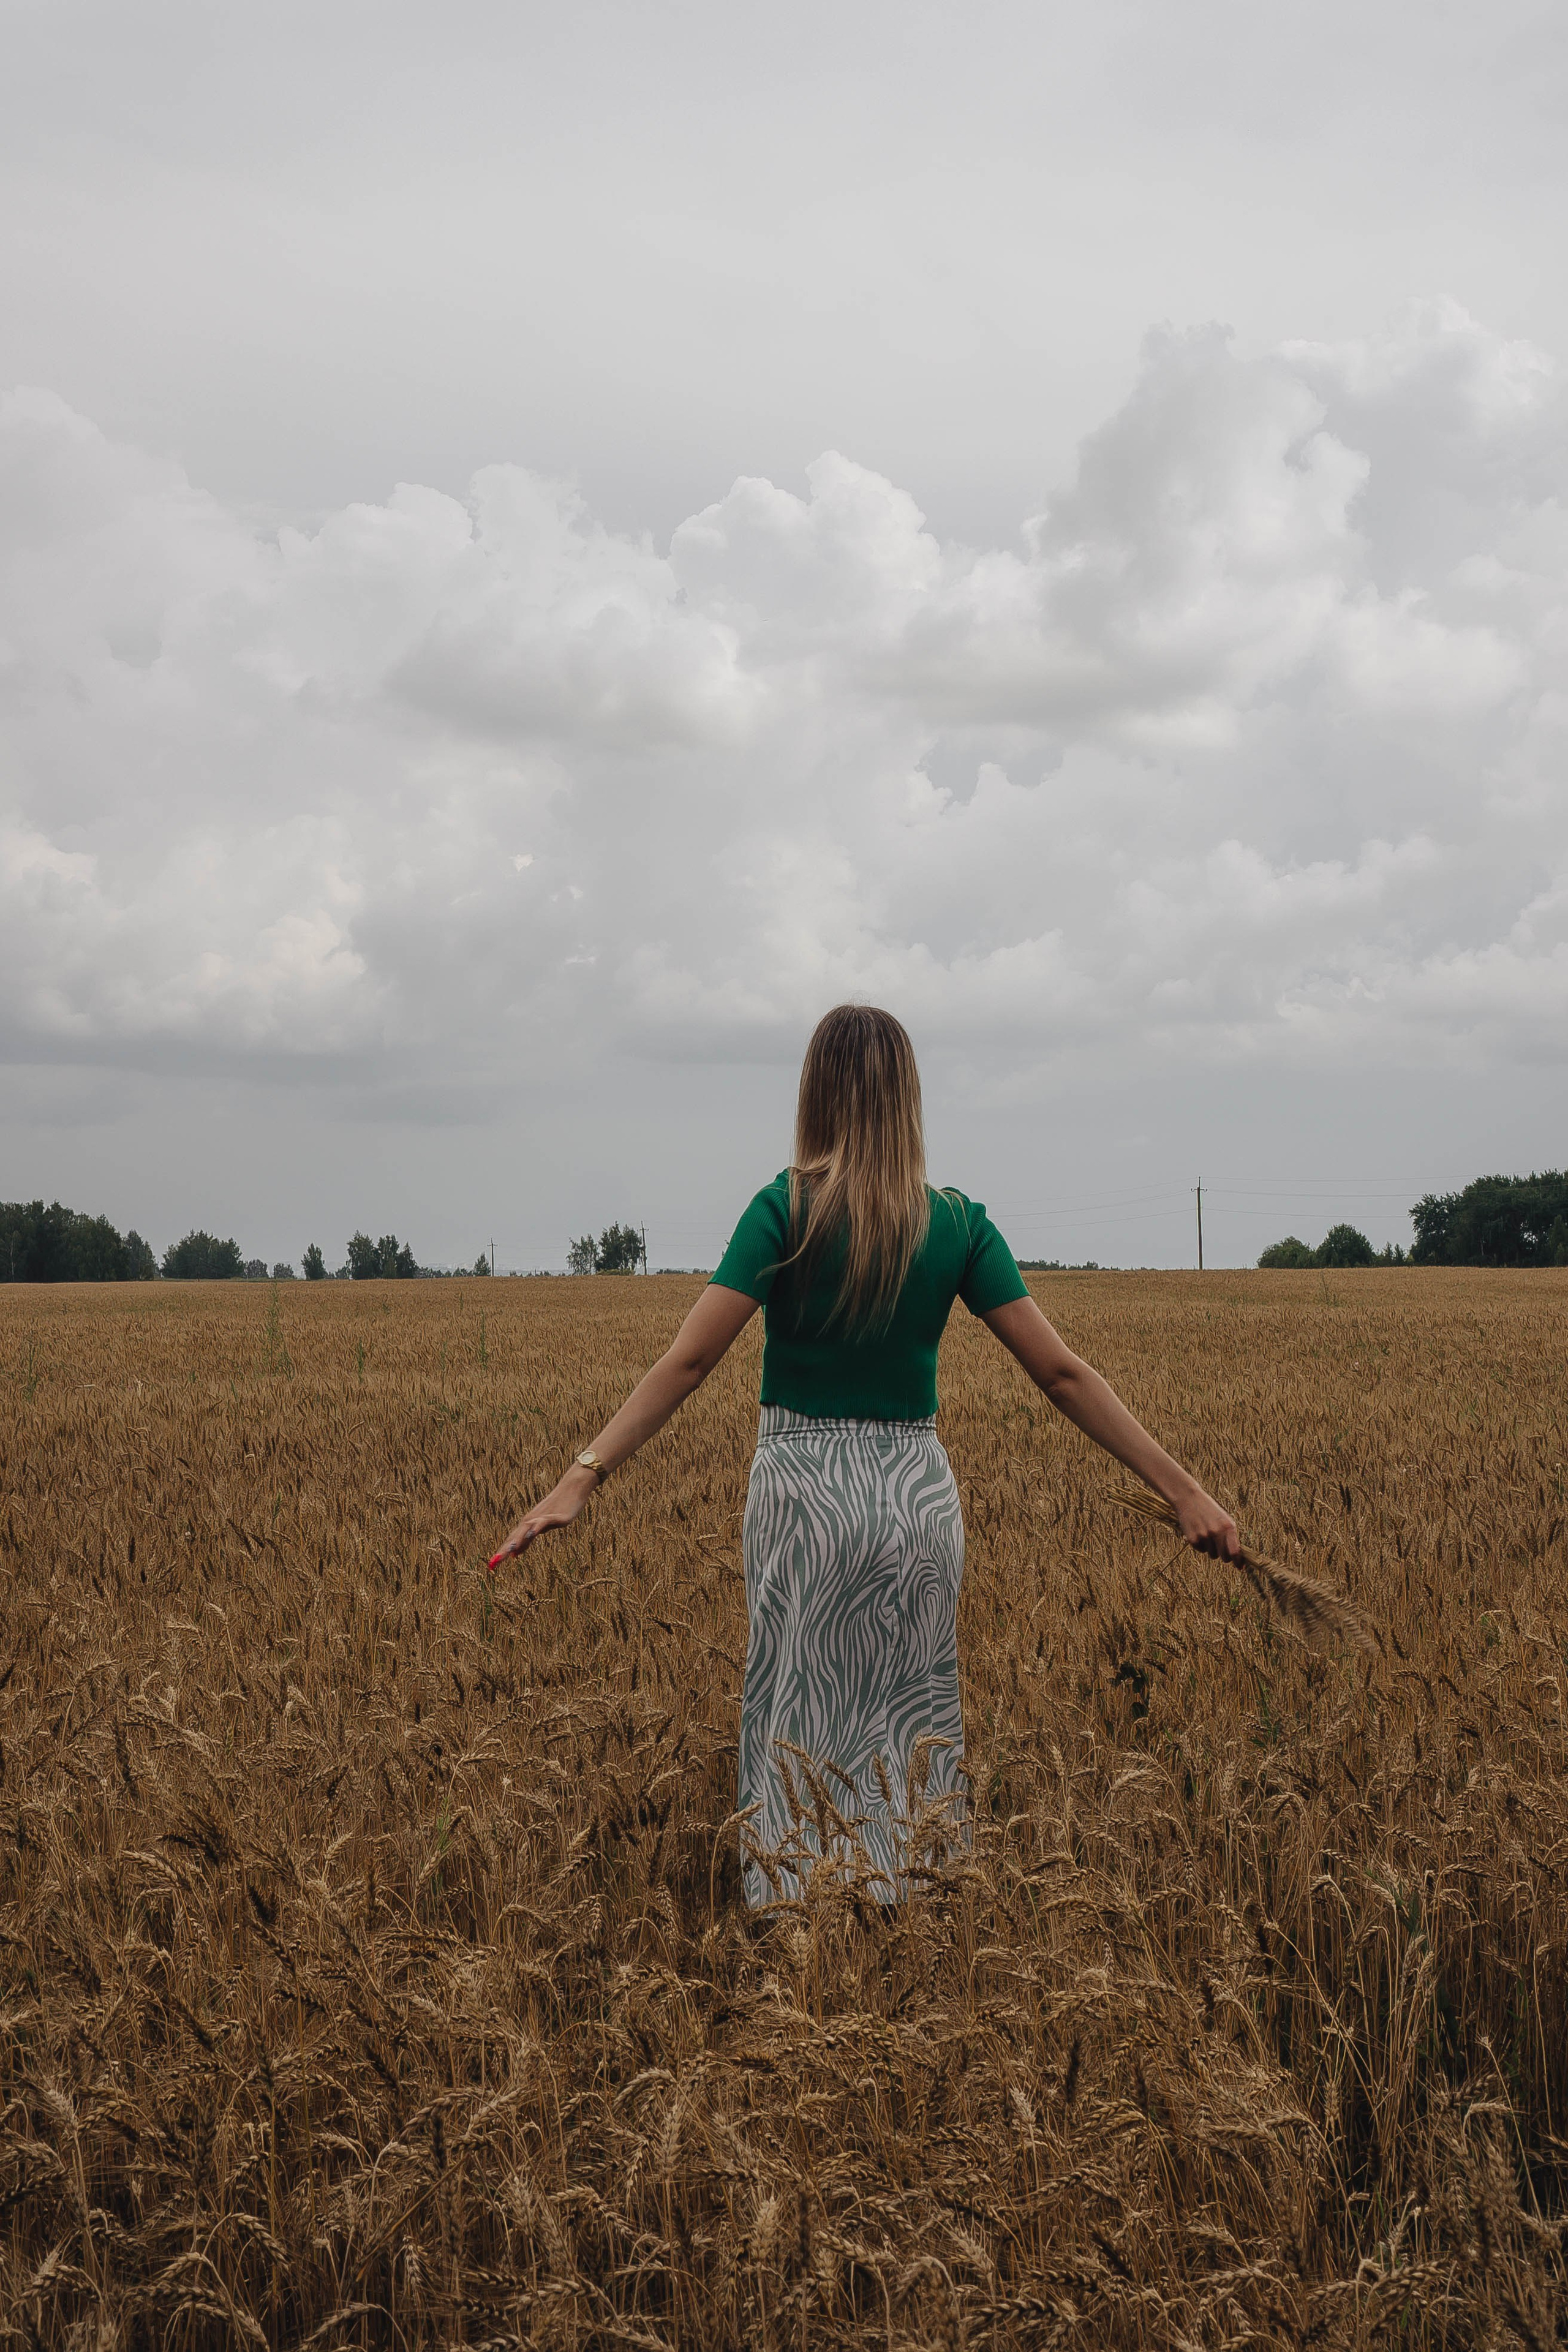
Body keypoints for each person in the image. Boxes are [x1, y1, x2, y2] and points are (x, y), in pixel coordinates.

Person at [489, 1004, 1239, 1905]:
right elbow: (1064, 1375)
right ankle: (911, 1918)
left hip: (806, 1496)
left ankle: (799, 1927)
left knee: (799, 1712)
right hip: (917, 1501)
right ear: (908, 1099)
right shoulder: (960, 1225)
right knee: (911, 1717)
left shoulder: (785, 1210)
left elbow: (689, 1360)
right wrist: (1186, 1492)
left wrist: (583, 1476)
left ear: (817, 1091)